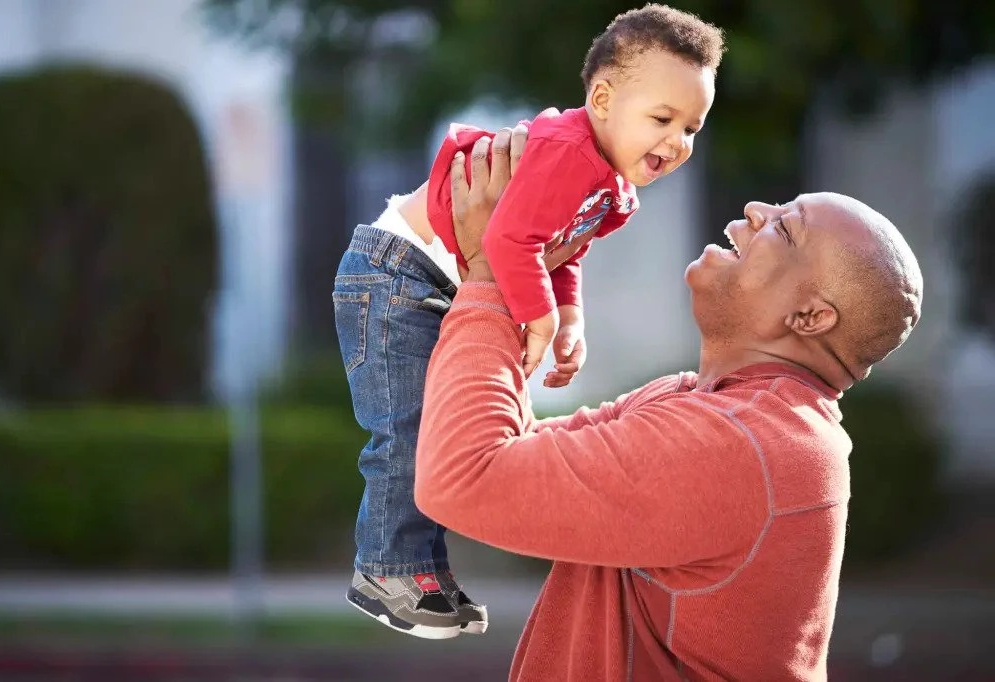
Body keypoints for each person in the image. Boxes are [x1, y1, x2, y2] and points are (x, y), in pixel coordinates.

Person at [414, 128, 924, 680]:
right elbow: (512, 452)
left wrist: (491, 276)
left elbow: (464, 476)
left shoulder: (742, 446)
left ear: (810, 317)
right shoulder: (705, 405)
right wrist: (517, 270)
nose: (755, 208)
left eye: (786, 227)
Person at [334, 4, 725, 639]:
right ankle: (387, 570)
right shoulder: (569, 153)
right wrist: (539, 319)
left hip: (430, 277)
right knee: (405, 429)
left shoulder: (610, 186)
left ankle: (423, 571)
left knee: (434, 429)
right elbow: (513, 241)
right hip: (394, 272)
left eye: (692, 128)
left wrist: (568, 314)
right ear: (602, 97)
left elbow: (560, 249)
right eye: (662, 119)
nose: (677, 141)